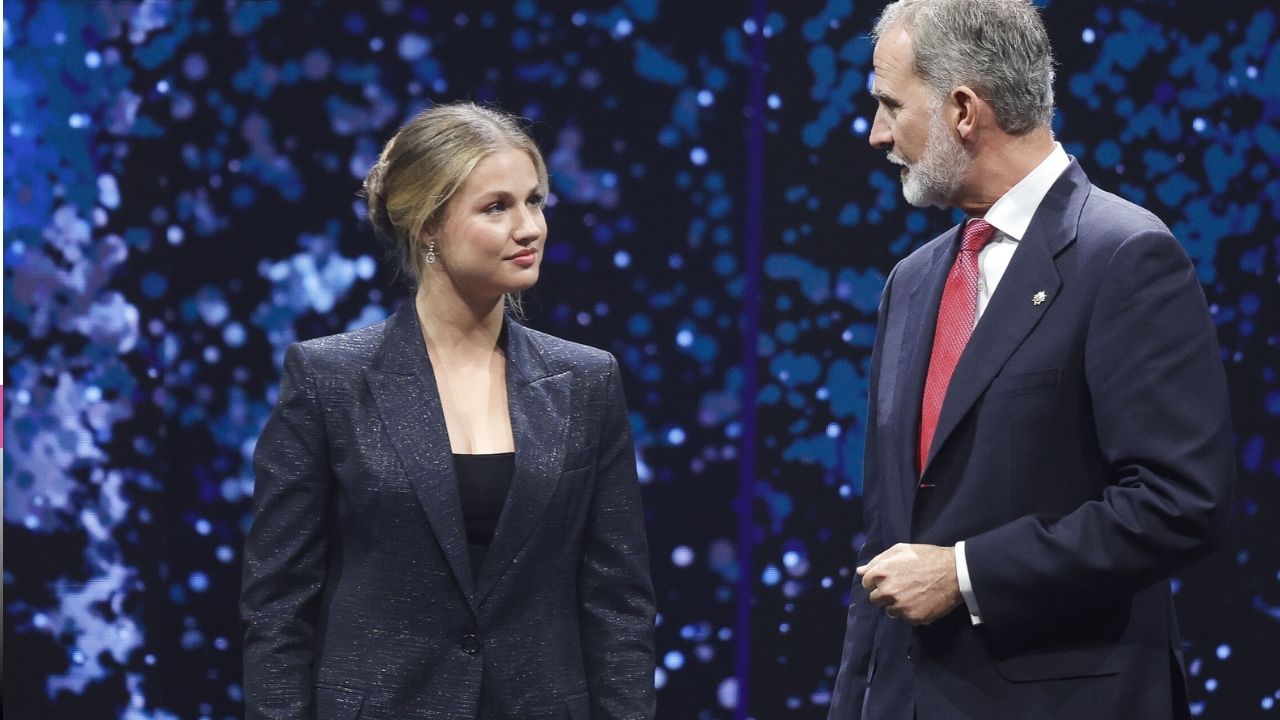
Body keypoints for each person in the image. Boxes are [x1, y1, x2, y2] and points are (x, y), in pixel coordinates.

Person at [828, 1, 1235, 718]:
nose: (877, 133)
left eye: (890, 104)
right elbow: (887, 540)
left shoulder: (1124, 256)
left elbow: (1177, 503)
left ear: (963, 110)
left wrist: (965, 574)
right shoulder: (912, 283)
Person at [241, 102, 656, 720]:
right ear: (428, 225)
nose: (529, 228)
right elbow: (277, 607)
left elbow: (619, 607)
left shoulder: (587, 382)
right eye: (497, 207)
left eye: (535, 201)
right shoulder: (330, 380)